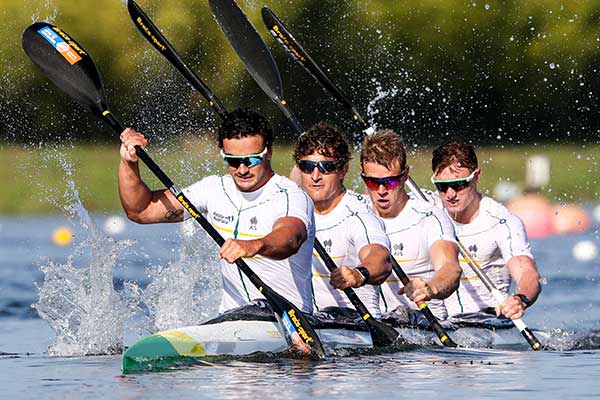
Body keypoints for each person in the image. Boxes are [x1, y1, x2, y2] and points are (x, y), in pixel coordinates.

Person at [118, 108, 316, 315]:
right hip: (232, 318)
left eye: (252, 160)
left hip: (290, 319)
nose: (242, 169)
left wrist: (255, 245)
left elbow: (290, 239)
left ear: (269, 153)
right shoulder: (212, 189)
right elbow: (141, 211)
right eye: (232, 160)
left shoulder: (290, 195)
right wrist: (128, 162)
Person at [430, 141, 541, 320]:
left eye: (459, 184)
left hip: (486, 321)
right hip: (440, 322)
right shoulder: (427, 209)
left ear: (476, 176)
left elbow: (528, 273)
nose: (450, 194)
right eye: (442, 186)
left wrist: (520, 299)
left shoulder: (501, 222)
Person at [360, 130, 461, 320]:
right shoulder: (356, 213)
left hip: (424, 327)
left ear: (405, 175)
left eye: (389, 181)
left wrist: (430, 288)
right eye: (372, 182)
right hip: (375, 324)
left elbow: (451, 269)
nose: (381, 191)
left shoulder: (430, 218)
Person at [293, 122, 391, 318]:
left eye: (326, 167)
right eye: (307, 166)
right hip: (311, 322)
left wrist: (359, 274)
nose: (315, 176)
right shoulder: (292, 206)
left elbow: (381, 260)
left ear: (343, 170)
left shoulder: (358, 215)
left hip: (354, 325)